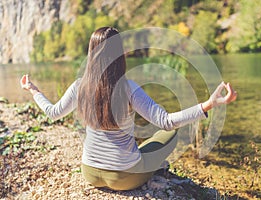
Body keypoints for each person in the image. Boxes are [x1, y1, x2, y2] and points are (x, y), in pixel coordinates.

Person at [20, 27, 237, 191]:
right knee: (169, 133)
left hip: (90, 173)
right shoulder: (128, 88)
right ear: (119, 54)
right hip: (124, 178)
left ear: (92, 53)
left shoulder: (80, 86)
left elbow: (53, 112)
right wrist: (209, 103)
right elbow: (167, 121)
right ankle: (156, 167)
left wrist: (34, 90)